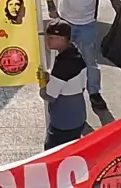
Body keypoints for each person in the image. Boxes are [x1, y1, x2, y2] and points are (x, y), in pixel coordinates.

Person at [56, 0, 121, 112]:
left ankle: (94, 93)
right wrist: (50, 6)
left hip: (87, 25)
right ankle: (65, 91)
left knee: (90, 61)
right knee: (64, 60)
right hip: (66, 22)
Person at [39, 19, 87, 149]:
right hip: (78, 114)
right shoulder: (76, 54)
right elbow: (82, 87)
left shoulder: (63, 65)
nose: (47, 41)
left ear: (62, 39)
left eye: (52, 38)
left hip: (64, 119)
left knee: (53, 152)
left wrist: (42, 85)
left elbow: (50, 95)